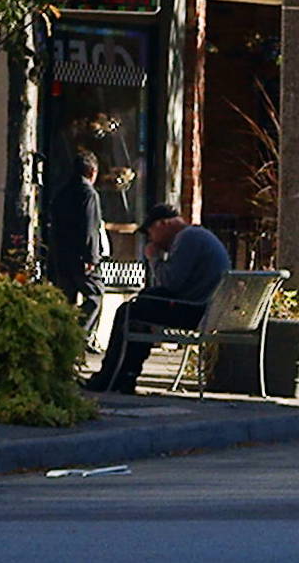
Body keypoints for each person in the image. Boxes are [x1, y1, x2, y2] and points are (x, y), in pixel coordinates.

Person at [88, 205, 230, 394]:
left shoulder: (187, 238)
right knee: (143, 305)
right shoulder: (198, 236)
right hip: (205, 308)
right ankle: (124, 377)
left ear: (163, 224)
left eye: (150, 233)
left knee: (127, 312)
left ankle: (110, 377)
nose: (151, 240)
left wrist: (154, 258)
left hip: (194, 311)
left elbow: (170, 282)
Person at [42, 151, 107, 311]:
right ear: (92, 172)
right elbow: (90, 227)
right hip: (80, 256)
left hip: (61, 256)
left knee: (66, 299)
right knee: (95, 293)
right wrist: (91, 257)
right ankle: (83, 326)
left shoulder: (61, 193)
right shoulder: (88, 194)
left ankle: (68, 326)